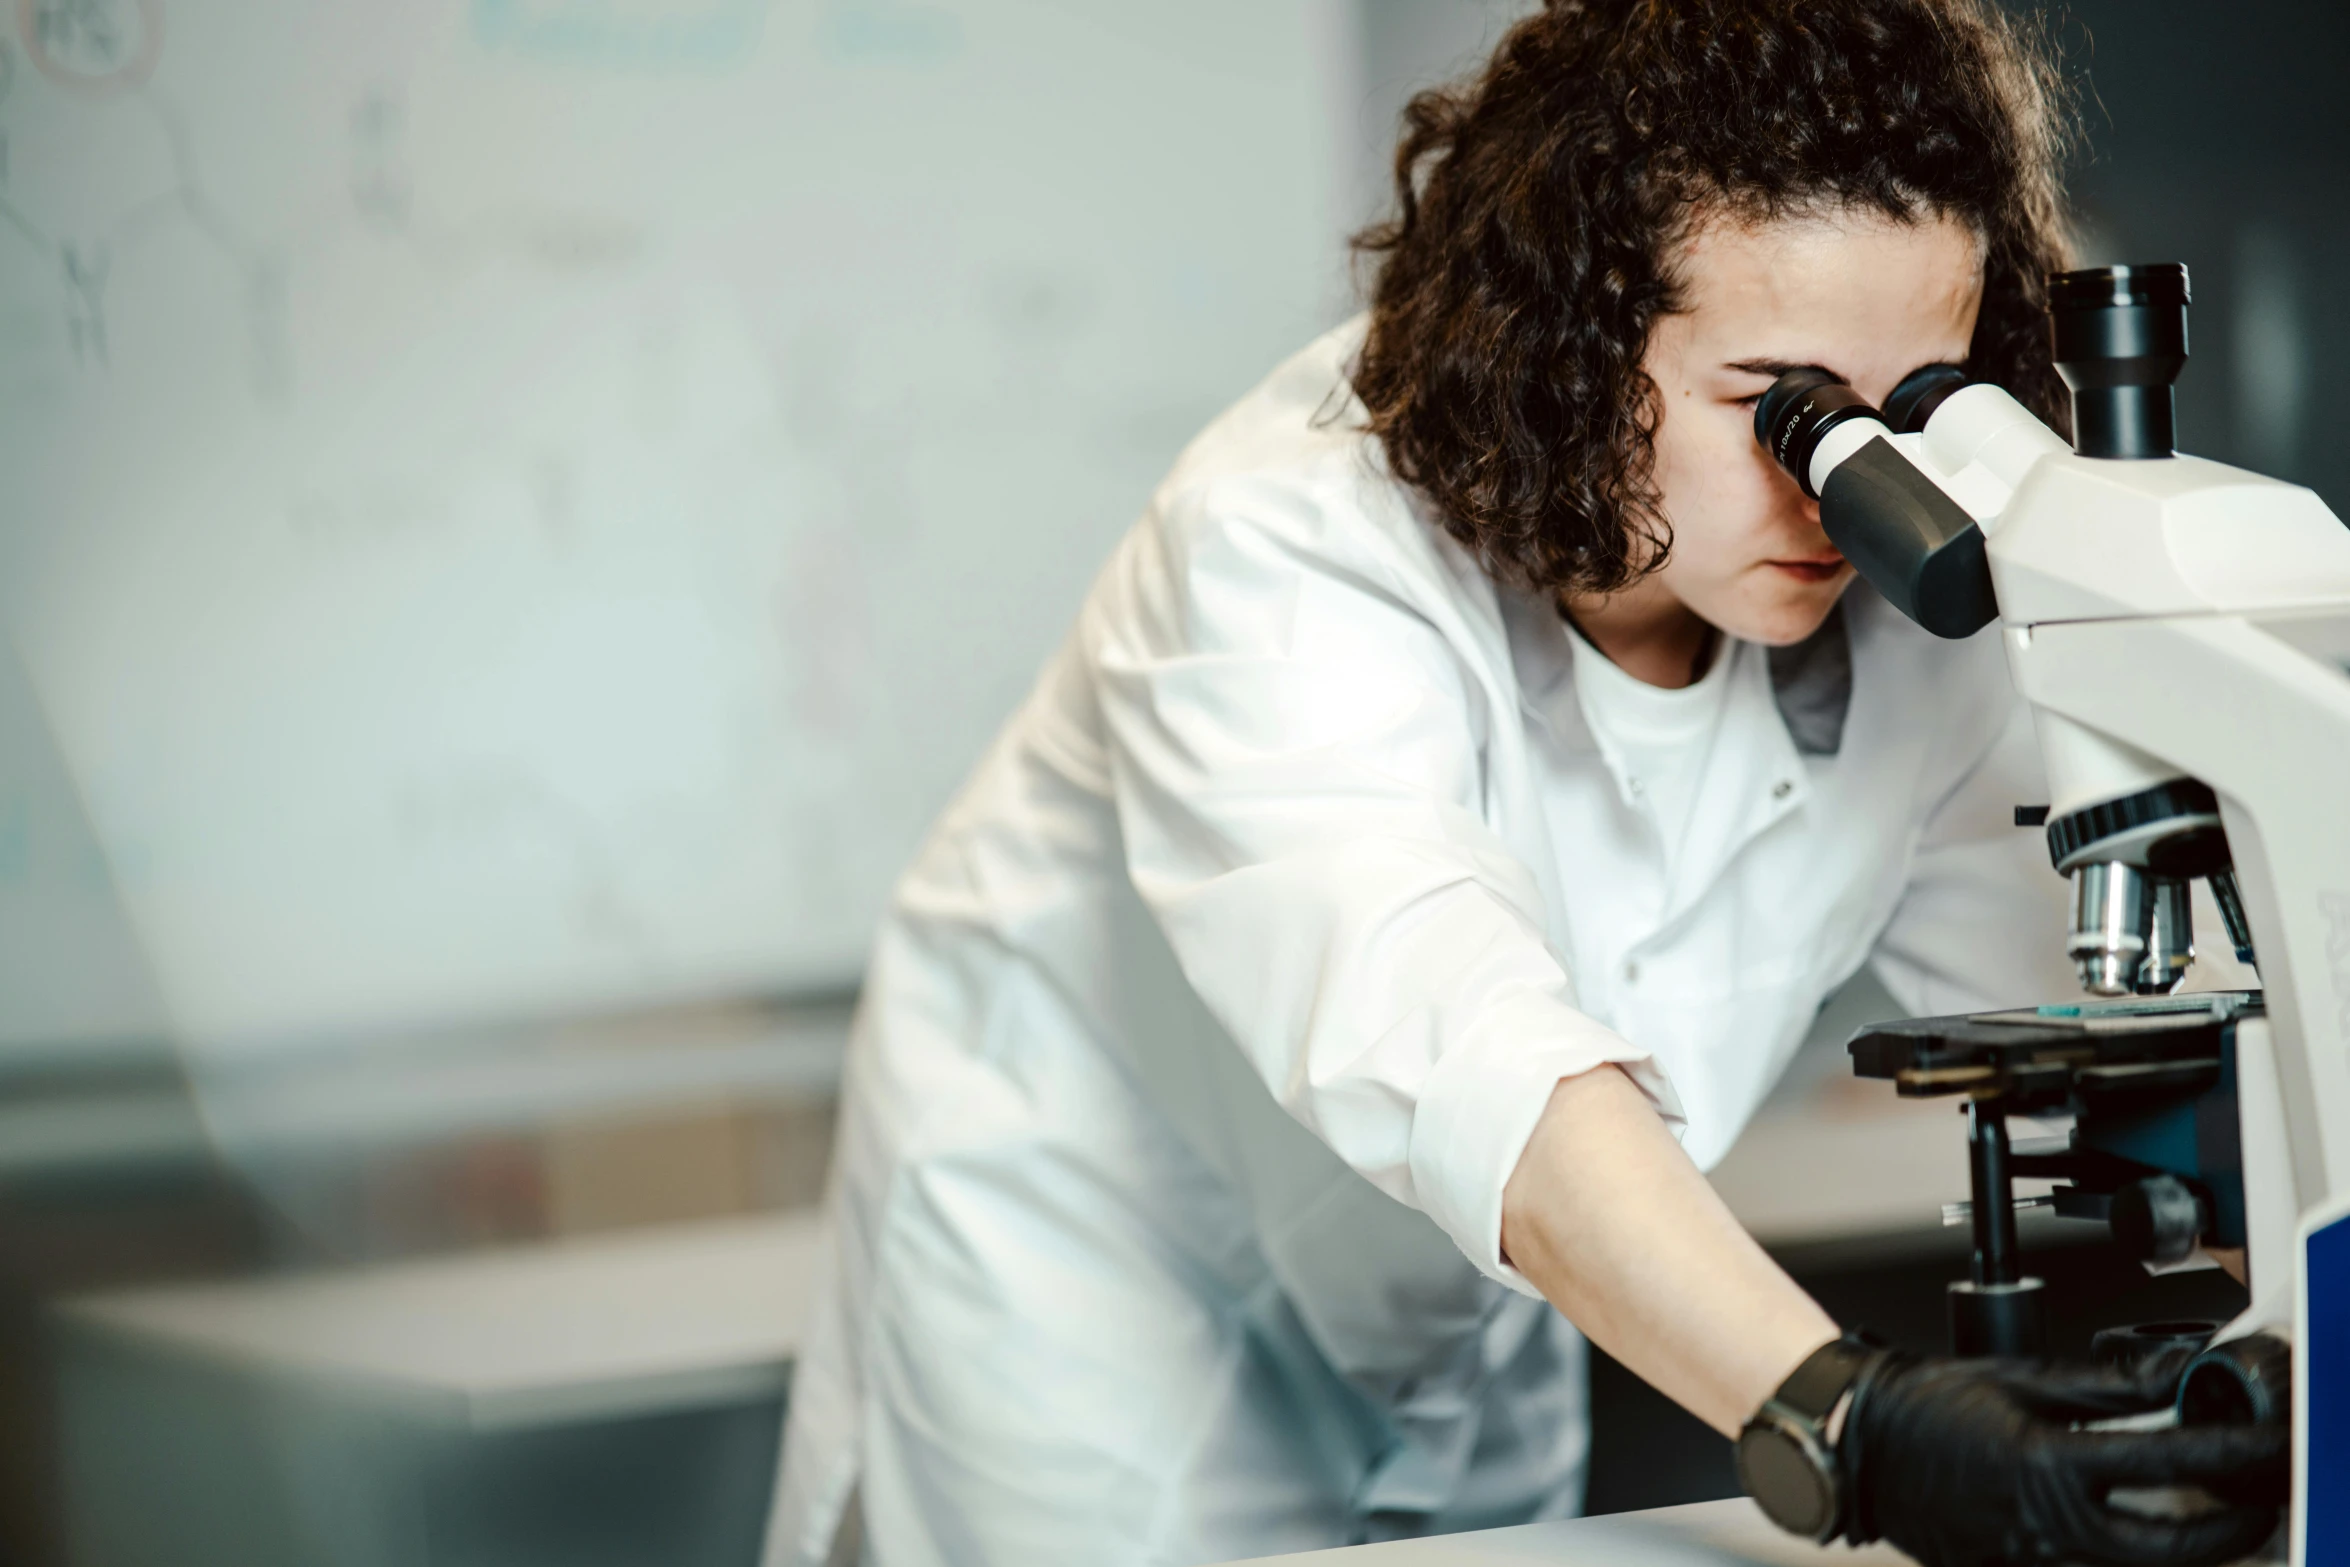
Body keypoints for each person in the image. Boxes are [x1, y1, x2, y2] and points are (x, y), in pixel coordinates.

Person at [765, 3, 2288, 1564]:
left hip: (1476, 1280)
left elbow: (2107, 1038)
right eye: (1778, 401)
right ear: (1569, 337)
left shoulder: (1901, 595)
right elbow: (1469, 1047)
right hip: (1094, 1274)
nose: (1850, 493)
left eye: (1911, 404)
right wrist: (1857, 1418)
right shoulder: (1284, 543)